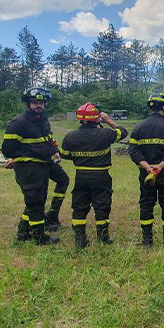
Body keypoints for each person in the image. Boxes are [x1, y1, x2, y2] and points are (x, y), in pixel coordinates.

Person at [60, 103, 128, 248]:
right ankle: (103, 238)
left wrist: (81, 158)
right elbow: (123, 132)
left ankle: (80, 239)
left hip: (81, 176)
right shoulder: (106, 134)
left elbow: (64, 155)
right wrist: (108, 120)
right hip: (101, 176)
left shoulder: (70, 136)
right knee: (102, 205)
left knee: (79, 207)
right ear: (97, 118)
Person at [2, 87, 60, 245]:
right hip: (28, 169)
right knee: (35, 203)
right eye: (34, 102)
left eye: (41, 102)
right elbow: (8, 149)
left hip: (43, 166)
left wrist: (54, 151)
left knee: (37, 201)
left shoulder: (43, 120)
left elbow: (49, 139)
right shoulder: (18, 123)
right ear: (27, 104)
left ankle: (23, 231)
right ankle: (39, 236)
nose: (38, 105)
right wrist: (22, 157)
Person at [129, 92, 164, 247]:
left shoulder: (138, 127)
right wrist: (160, 166)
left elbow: (133, 151)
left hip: (146, 174)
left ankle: (147, 240)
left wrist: (147, 167)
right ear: (163, 107)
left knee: (146, 203)